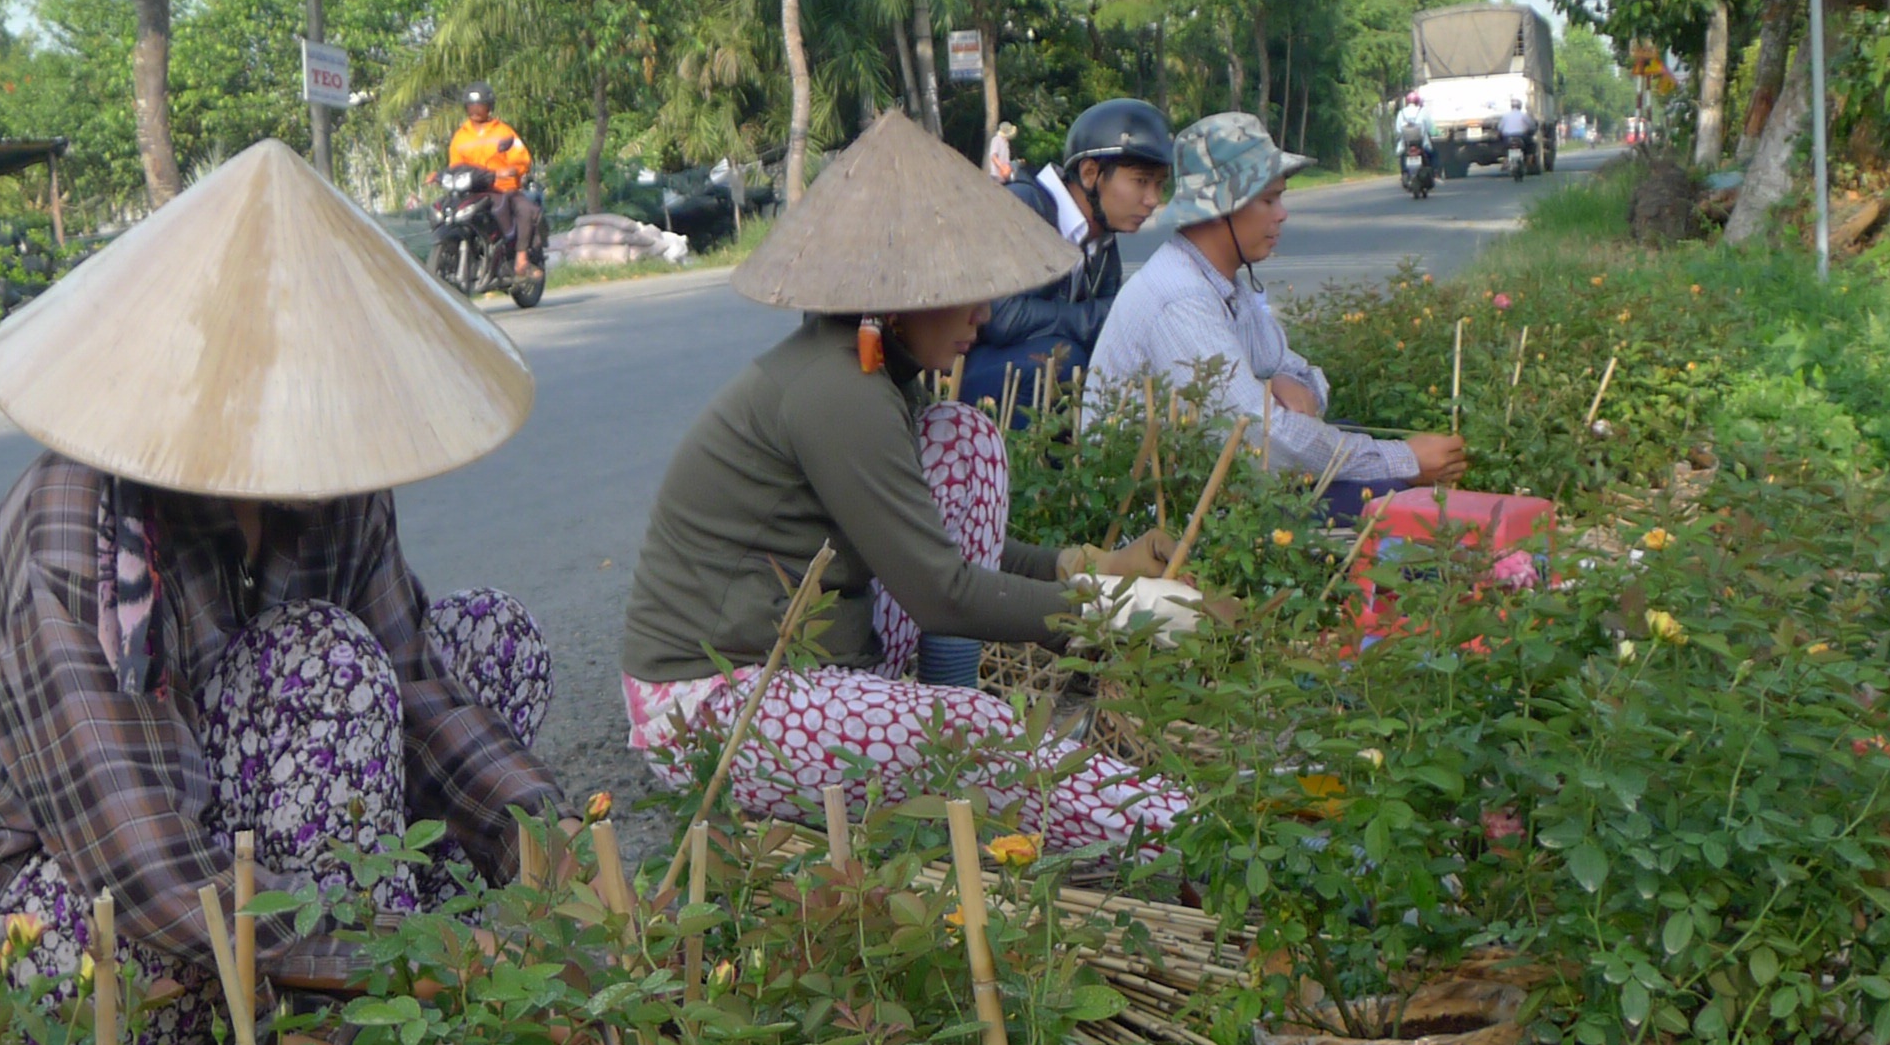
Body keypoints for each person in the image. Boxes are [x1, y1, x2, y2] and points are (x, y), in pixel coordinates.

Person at [0, 141, 560, 1045]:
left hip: (227, 833)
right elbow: (142, 869)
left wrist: (558, 864)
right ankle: (334, 1043)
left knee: (492, 641)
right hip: (31, 936)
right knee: (325, 663)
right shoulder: (77, 528)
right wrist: (405, 960)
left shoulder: (338, 484)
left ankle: (354, 973)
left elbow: (422, 693)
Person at [621, 114, 1192, 856]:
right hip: (714, 703)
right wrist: (1114, 611)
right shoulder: (839, 390)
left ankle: (946, 700)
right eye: (968, 294)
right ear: (900, 299)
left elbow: (934, 543)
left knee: (965, 441)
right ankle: (1179, 834)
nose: (986, 317)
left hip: (805, 668)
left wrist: (1085, 566)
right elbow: (940, 589)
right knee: (980, 735)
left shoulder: (876, 377)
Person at [1091, 112, 1467, 522]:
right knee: (1389, 499)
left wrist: (1281, 384)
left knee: (1355, 450)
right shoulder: (1180, 299)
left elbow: (1303, 375)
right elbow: (1264, 443)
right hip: (1166, 516)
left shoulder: (1226, 280)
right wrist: (1406, 460)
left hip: (1226, 481)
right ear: (1221, 208)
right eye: (1268, 199)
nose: (1282, 214)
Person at [958, 98, 1174, 410]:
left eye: (1160, 185)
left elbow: (1111, 326)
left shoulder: (1104, 238)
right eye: (1141, 182)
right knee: (1066, 359)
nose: (1153, 199)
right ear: (1090, 174)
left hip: (1032, 374)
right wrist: (1109, 312)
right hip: (976, 372)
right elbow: (1002, 317)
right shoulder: (1025, 206)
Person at [448, 85, 546, 277]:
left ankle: (521, 259)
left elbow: (521, 158)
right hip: (474, 191)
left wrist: (512, 170)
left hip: (504, 190)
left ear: (489, 107)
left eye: (480, 106)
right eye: (471, 106)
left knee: (525, 210)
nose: (475, 110)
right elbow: (455, 166)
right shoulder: (460, 137)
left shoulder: (504, 131)